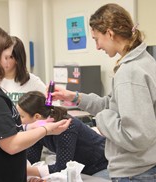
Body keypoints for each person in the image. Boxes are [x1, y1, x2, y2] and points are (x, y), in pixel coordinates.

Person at [50, 3, 156, 182]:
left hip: (134, 172)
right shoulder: (144, 61)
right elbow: (112, 105)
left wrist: (101, 119)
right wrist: (74, 97)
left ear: (109, 33)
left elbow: (137, 136)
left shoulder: (130, 72)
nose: (97, 46)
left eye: (96, 39)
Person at [0, 22, 71, 182]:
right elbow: (11, 144)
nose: (7, 63)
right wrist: (46, 130)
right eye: (5, 57)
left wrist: (31, 127)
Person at [16, 91, 109, 179]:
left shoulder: (65, 127)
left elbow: (62, 167)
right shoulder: (38, 128)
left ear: (37, 116)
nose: (18, 120)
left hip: (100, 166)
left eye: (22, 116)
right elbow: (32, 159)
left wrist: (27, 171)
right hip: (77, 167)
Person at [0, 36, 46, 105]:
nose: (4, 61)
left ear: (17, 59)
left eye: (9, 57)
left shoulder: (33, 82)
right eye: (2, 56)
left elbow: (52, 103)